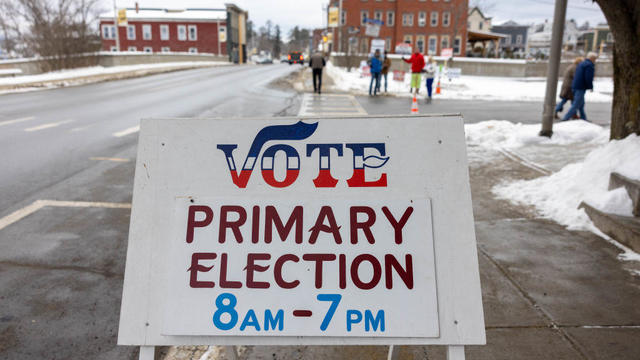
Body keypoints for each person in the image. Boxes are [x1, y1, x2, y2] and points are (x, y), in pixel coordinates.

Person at [563, 52, 597, 121]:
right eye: (595, 59)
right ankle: (565, 118)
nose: (595, 60)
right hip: (580, 87)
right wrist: (590, 86)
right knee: (576, 104)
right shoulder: (589, 65)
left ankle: (583, 118)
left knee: (581, 104)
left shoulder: (582, 64)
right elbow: (588, 77)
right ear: (592, 58)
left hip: (575, 85)